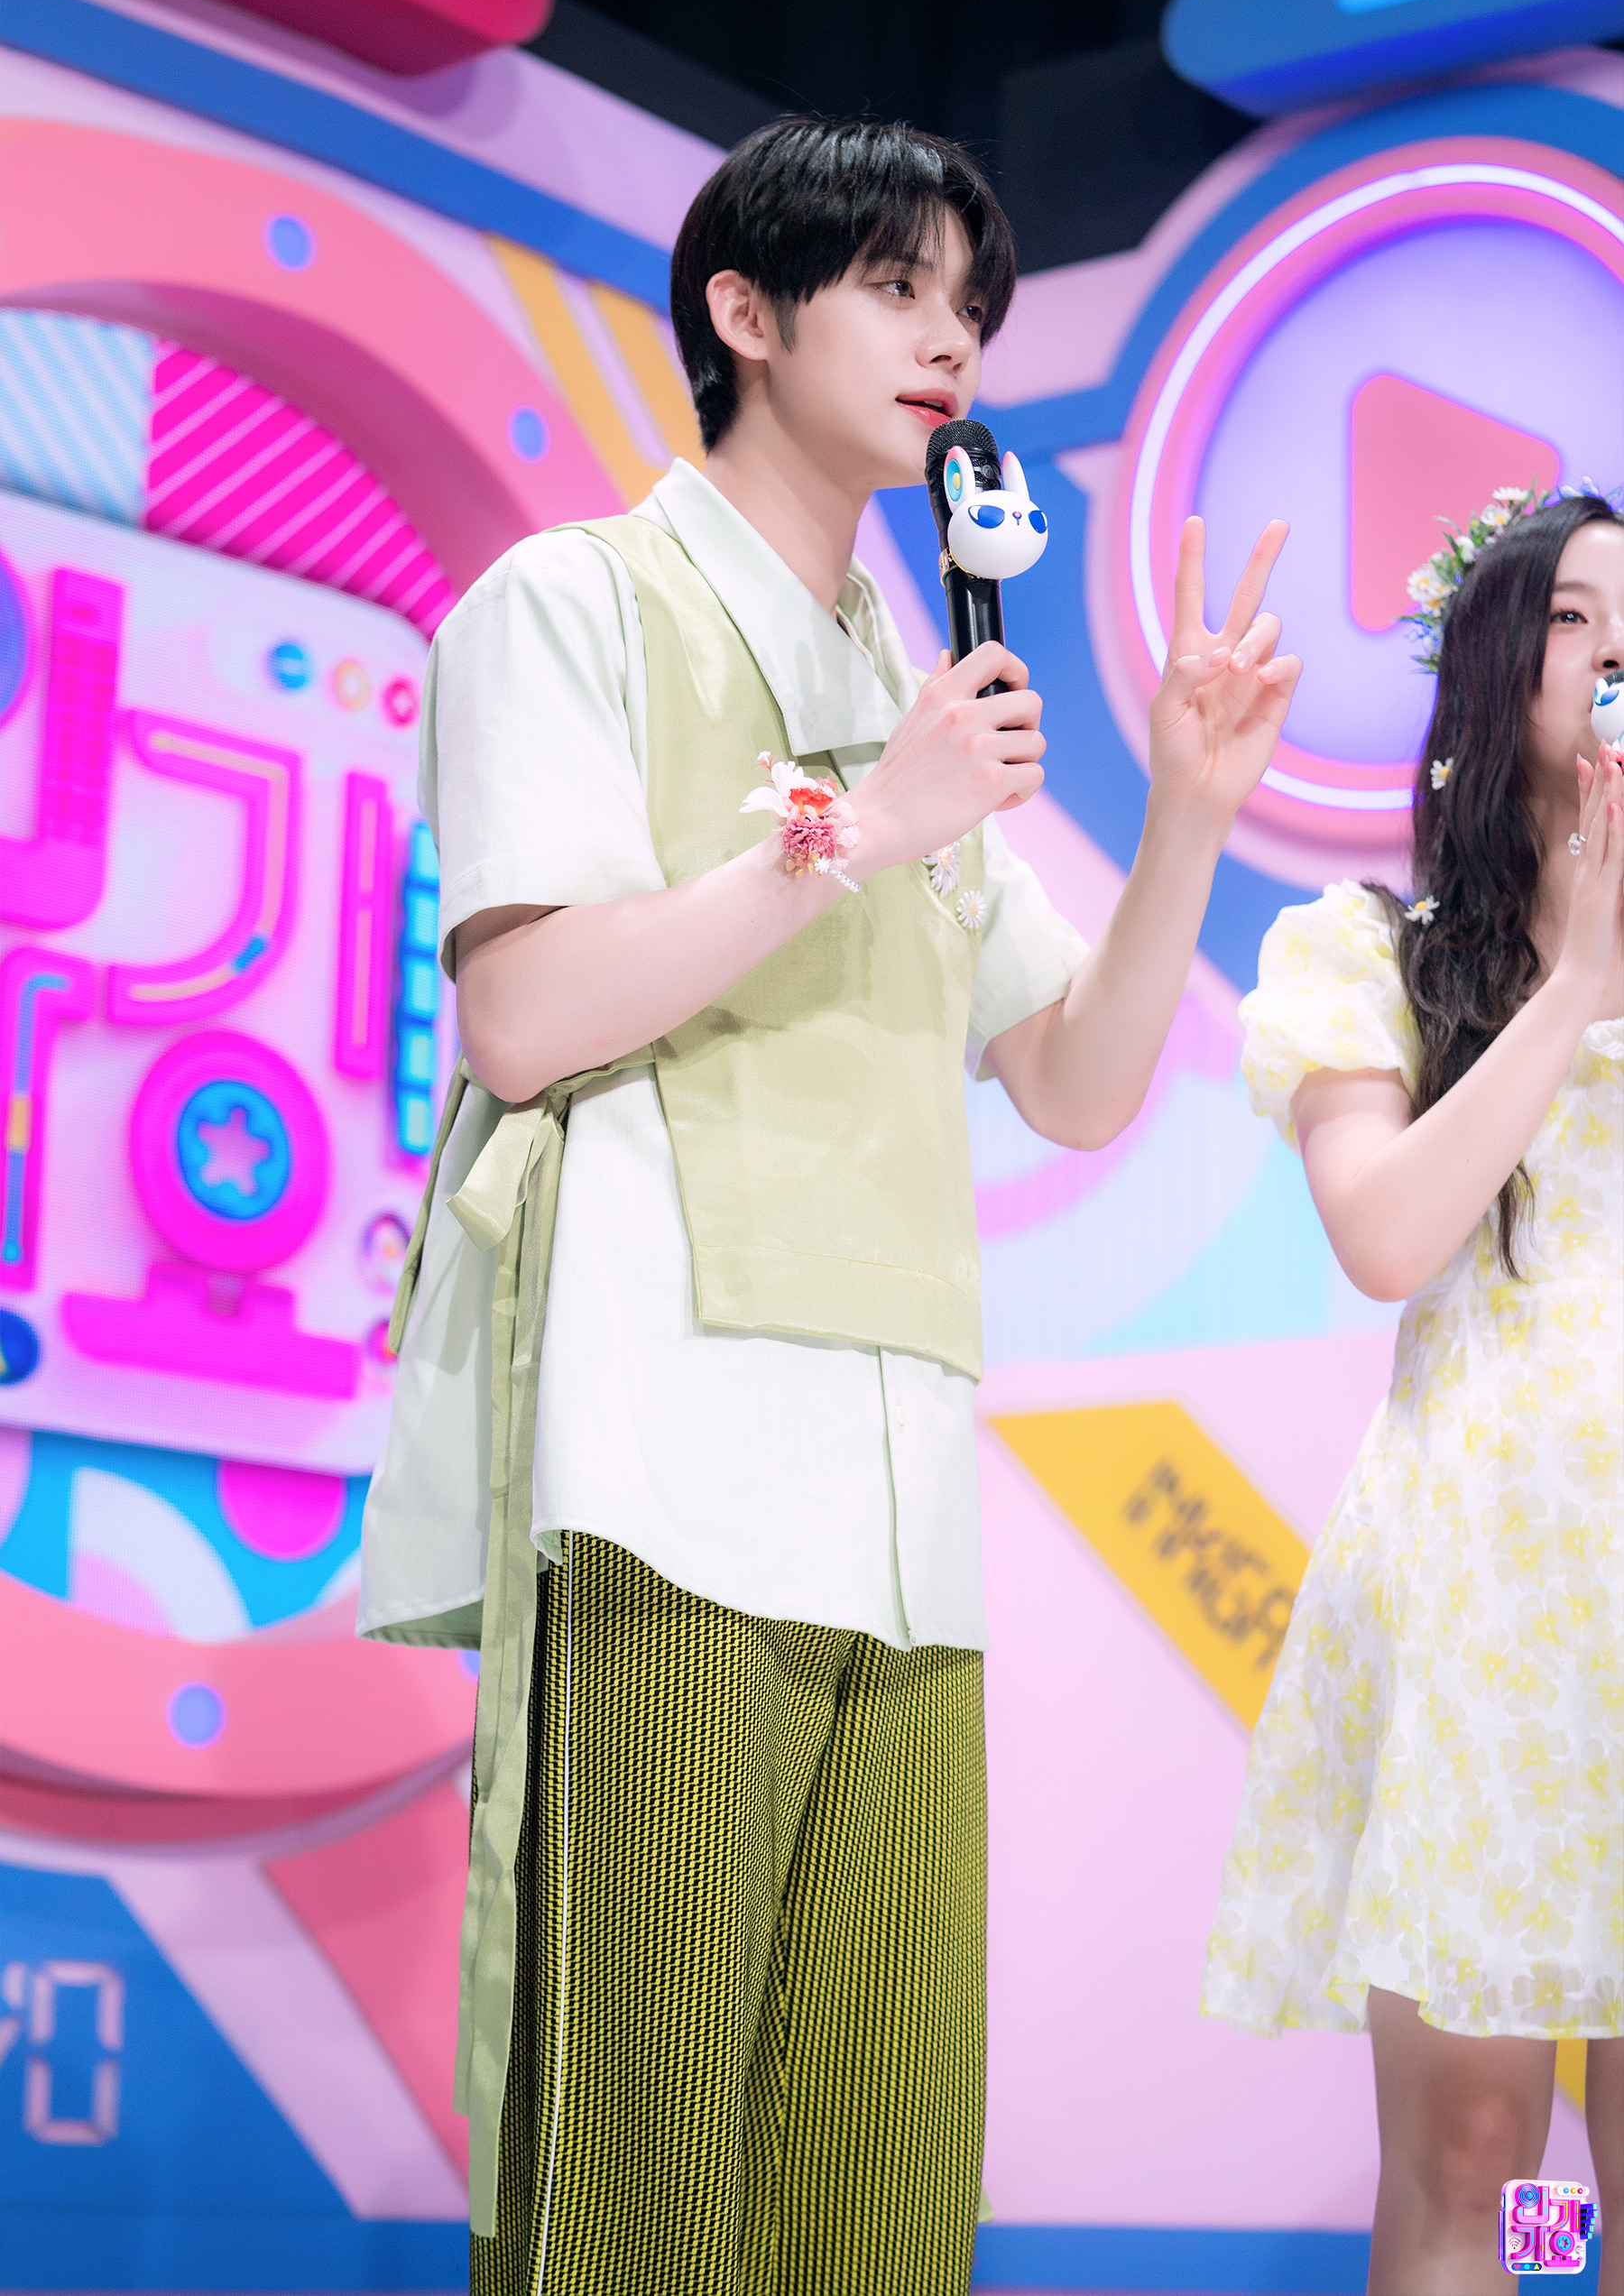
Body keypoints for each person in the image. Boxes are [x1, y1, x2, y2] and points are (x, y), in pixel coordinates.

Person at [361, 115, 1300, 2296]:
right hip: (659, 1464)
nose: (950, 340)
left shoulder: (913, 690)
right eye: (896, 286)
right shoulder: (575, 602)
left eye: (971, 304)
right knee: (642, 2174)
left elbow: (1074, 1081)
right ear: (747, 312)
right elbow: (524, 1014)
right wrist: (858, 827)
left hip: (898, 1499)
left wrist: (1185, 812)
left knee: (875, 2185)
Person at [1200, 490, 1624, 2296]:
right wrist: (1576, 984)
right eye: (1580, 616)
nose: (1618, 653)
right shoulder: (1371, 951)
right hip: (1491, 1597)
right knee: (1480, 2158)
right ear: (1495, 657)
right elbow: (1383, 1232)